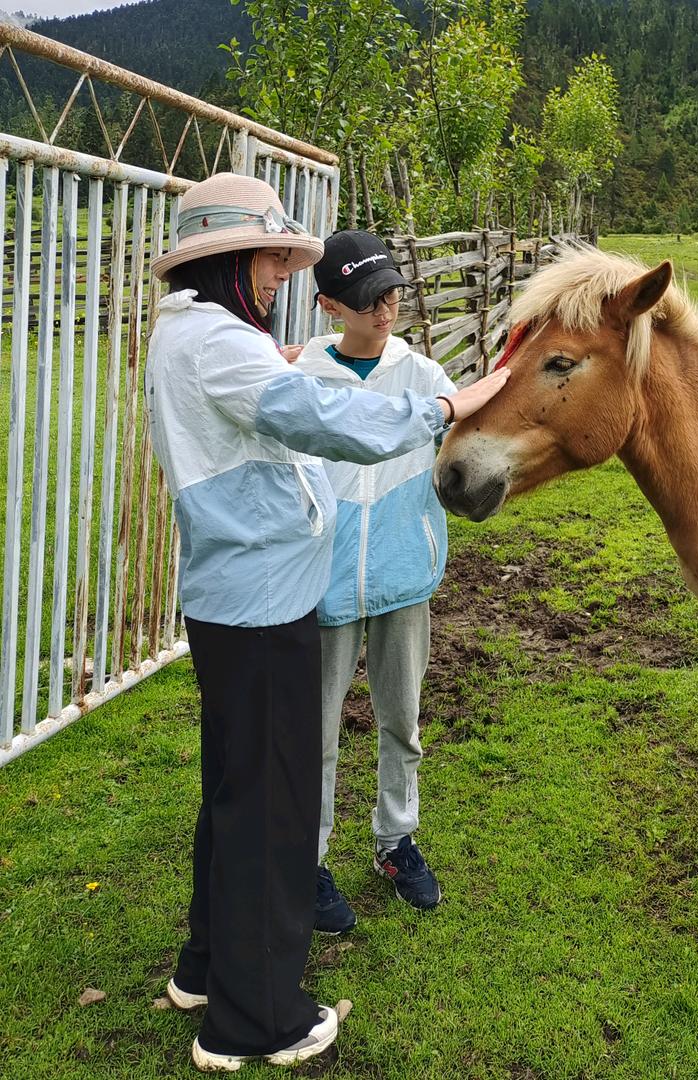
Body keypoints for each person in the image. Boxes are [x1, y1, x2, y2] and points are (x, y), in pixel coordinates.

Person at [144, 173, 508, 1072]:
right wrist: (445, 406)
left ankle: (205, 967)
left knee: (236, 794)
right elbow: (328, 420)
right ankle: (256, 1018)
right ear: (227, 259)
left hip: (238, 596)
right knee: (272, 811)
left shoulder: (192, 333)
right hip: (263, 603)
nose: (280, 274)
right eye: (270, 258)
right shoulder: (221, 344)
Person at [293, 231, 453, 932]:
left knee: (402, 721)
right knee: (315, 733)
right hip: (321, 588)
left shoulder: (424, 375)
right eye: (367, 300)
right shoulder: (301, 379)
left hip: (404, 577)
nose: (385, 310)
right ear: (329, 305)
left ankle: (396, 840)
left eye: (391, 294)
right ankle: (306, 859)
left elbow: (465, 440)